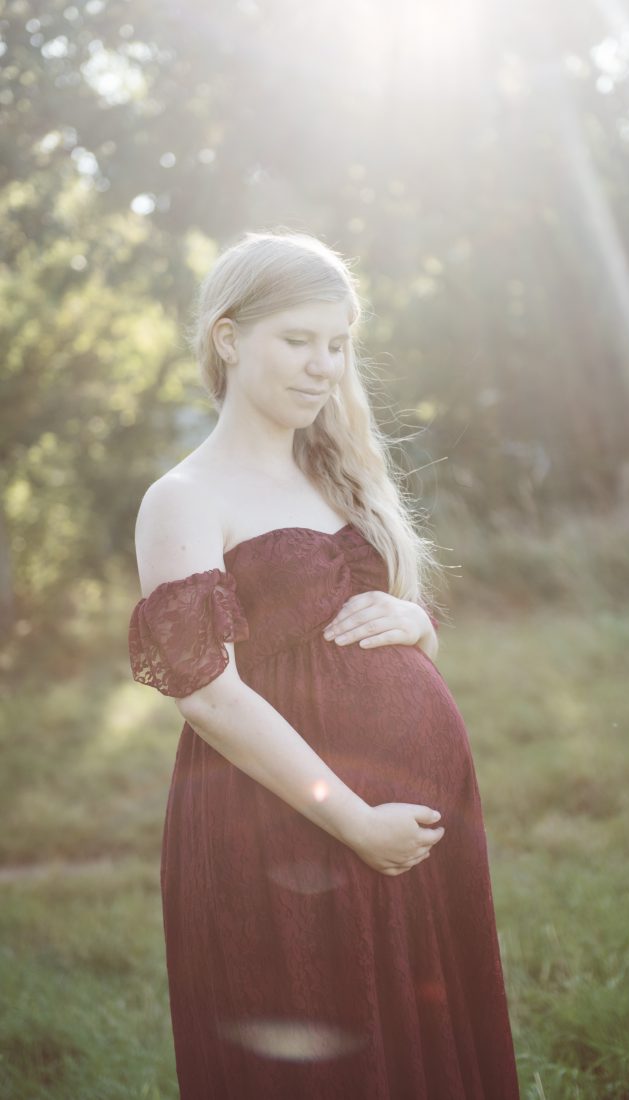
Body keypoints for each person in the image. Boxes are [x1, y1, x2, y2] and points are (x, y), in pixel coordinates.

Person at [128, 229, 520, 1099]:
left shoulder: (338, 472)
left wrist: (414, 622)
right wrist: (353, 822)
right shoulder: (185, 499)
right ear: (228, 339)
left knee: (424, 1043)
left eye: (337, 345)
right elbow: (209, 697)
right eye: (297, 341)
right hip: (286, 829)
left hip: (409, 823)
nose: (323, 367)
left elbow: (383, 637)